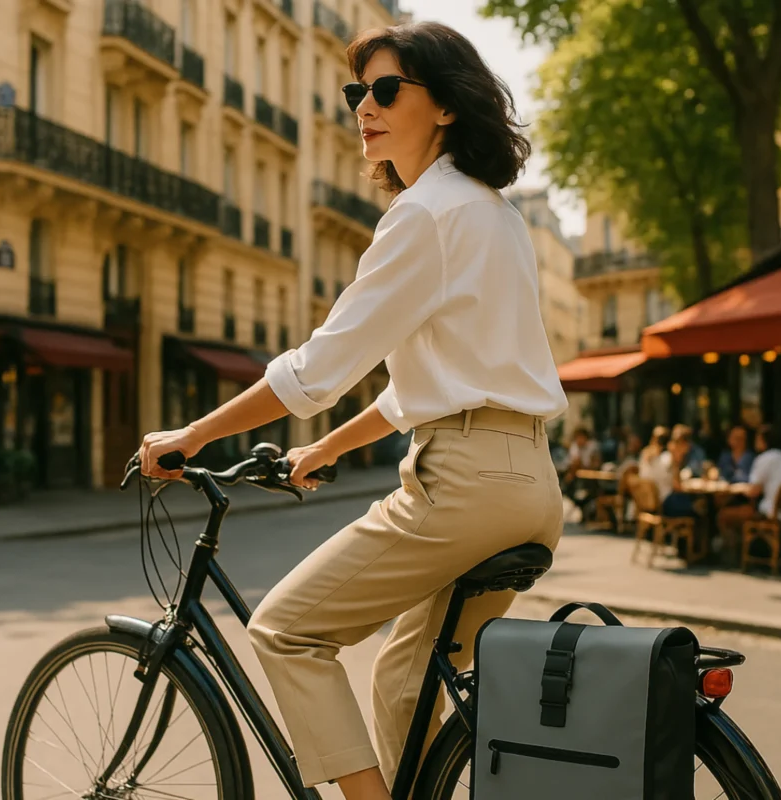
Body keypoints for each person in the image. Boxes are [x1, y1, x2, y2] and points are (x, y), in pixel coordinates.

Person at [137, 21, 567, 800]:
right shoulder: (494, 214)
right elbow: (427, 385)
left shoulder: (423, 214)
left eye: (386, 89)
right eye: (355, 91)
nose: (363, 105)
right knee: (405, 683)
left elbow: (317, 368)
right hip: (530, 485)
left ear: (443, 106)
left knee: (285, 630)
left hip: (464, 486)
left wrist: (190, 436)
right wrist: (324, 448)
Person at [717, 425, 781, 562]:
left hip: (772, 511)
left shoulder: (763, 459)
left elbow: (753, 492)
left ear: (763, 440)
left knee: (724, 515)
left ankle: (734, 555)